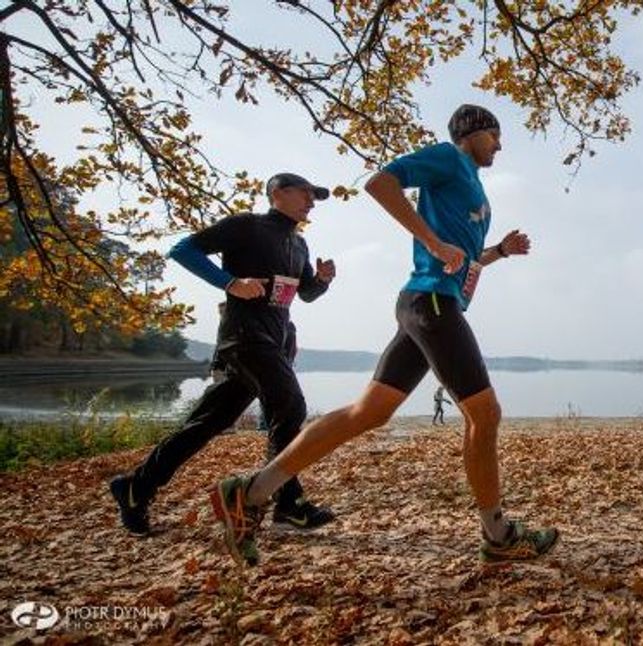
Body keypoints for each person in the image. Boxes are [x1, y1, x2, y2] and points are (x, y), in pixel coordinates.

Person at [210, 104, 559, 566]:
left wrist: (498, 252)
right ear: (473, 131)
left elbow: (462, 260)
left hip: (430, 303)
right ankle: (498, 536)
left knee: (367, 412)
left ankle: (251, 492)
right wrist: (433, 244)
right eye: (495, 134)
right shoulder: (449, 158)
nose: (500, 144)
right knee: (485, 413)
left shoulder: (471, 185)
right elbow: (380, 183)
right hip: (430, 302)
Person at [109, 172, 338, 535]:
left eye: (315, 196)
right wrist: (230, 283)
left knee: (207, 423)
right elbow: (183, 250)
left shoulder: (299, 245)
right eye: (306, 193)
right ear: (277, 193)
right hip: (244, 338)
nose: (311, 201)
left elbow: (304, 293)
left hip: (273, 341)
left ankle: (136, 488)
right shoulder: (247, 226)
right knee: (290, 406)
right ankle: (287, 504)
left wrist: (322, 280)